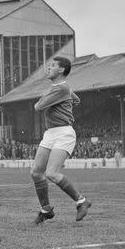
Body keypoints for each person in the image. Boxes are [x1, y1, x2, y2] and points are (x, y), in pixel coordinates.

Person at [30, 56, 91, 224]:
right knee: (36, 172)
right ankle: (46, 210)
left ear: (61, 70)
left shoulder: (60, 88)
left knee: (51, 173)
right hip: (51, 133)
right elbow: (76, 100)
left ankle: (81, 201)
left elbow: (38, 106)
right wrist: (65, 102)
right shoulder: (63, 88)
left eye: (53, 65)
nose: (49, 68)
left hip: (63, 133)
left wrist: (58, 97)